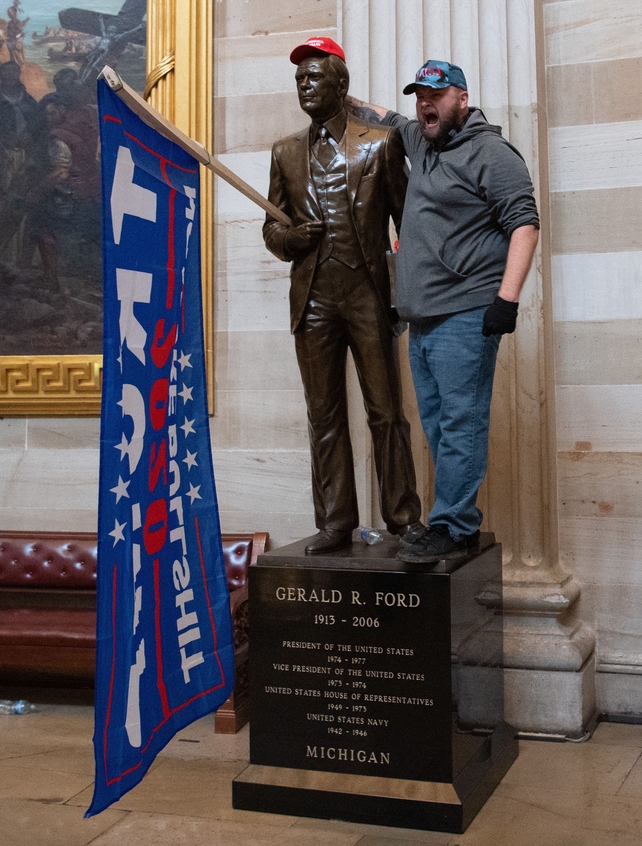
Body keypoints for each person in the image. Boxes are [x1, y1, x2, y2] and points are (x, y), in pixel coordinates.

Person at [345, 59, 540, 563]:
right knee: (437, 425)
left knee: (460, 423)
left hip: (467, 313)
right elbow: (386, 118)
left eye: (437, 93)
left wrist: (506, 299)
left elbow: (525, 223)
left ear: (462, 99)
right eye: (420, 95)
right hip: (423, 318)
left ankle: (451, 526)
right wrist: (338, 93)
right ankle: (461, 522)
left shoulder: (491, 153)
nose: (425, 103)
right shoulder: (422, 142)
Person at [263, 37, 423, 554]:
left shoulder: (380, 143)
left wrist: (411, 297)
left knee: (386, 410)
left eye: (313, 77)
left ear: (341, 83)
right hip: (312, 302)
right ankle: (335, 522)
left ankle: (402, 518)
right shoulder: (285, 151)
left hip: (367, 296)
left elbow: (410, 227)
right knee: (324, 414)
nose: (304, 86)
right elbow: (272, 230)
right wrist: (291, 238)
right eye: (299, 79)